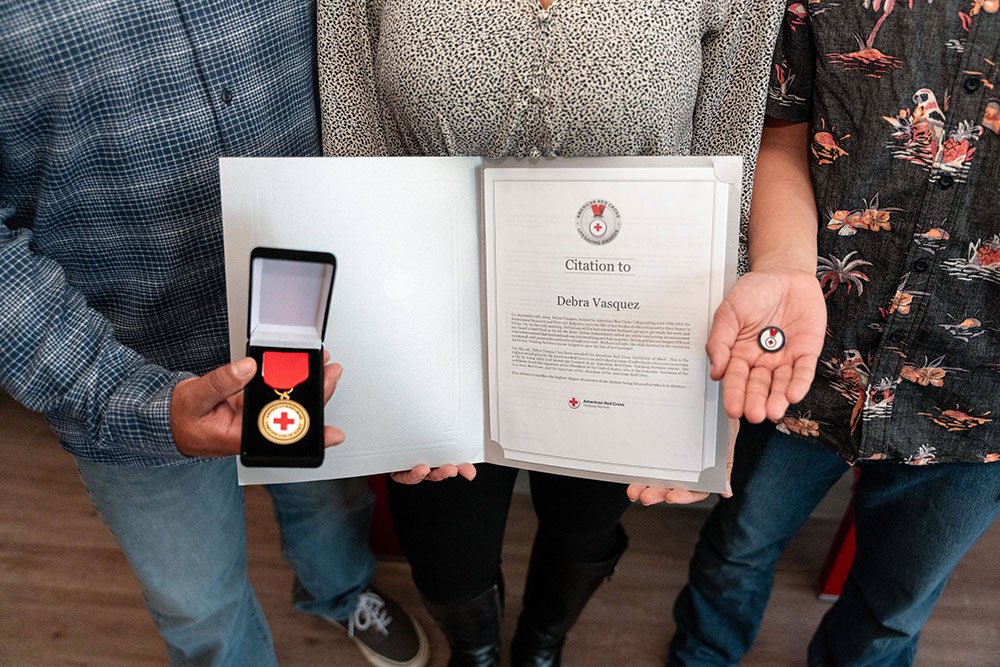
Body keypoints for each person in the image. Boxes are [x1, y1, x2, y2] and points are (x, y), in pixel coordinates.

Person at [316, 1, 786, 664]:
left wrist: (712, 388)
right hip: (438, 315)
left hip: (629, 317)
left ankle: (541, 642)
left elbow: (729, 154)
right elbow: (354, 147)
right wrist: (376, 346)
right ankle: (476, 654)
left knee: (582, 521)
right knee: (444, 551)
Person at [0, 3, 428, 666]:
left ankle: (342, 592)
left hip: (308, 323)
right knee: (198, 602)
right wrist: (119, 395)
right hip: (125, 357)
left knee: (329, 504)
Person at [637, 1, 1000, 664]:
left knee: (897, 599)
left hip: (981, 401)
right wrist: (782, 267)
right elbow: (783, 134)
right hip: (807, 351)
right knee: (740, 540)